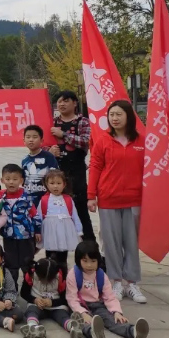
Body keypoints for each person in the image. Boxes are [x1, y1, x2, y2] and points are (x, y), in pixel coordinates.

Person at [87, 100, 147, 303]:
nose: (114, 118)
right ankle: (116, 282)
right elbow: (95, 167)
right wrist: (91, 195)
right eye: (111, 114)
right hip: (108, 199)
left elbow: (150, 168)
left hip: (134, 199)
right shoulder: (103, 140)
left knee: (131, 241)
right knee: (111, 243)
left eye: (119, 114)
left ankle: (132, 283)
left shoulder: (142, 141)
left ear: (129, 116)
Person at [66, 241, 149, 338]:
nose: (89, 265)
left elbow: (110, 297)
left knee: (113, 320)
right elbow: (72, 299)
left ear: (98, 260)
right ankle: (93, 333)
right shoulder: (73, 274)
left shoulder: (101, 275)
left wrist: (116, 312)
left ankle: (133, 331)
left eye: (93, 261)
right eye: (85, 261)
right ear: (78, 260)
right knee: (82, 322)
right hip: (80, 306)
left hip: (98, 305)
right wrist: (83, 313)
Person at [49, 91, 96, 242]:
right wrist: (49, 151)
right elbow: (42, 143)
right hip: (56, 176)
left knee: (81, 214)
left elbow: (86, 141)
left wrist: (64, 135)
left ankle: (90, 249)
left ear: (75, 103)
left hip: (77, 174)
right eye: (59, 101)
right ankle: (59, 250)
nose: (61, 104)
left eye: (66, 101)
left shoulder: (83, 122)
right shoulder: (52, 122)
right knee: (57, 213)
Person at [19, 257, 82, 338]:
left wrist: (52, 302)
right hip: (37, 305)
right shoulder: (31, 275)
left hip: (56, 307)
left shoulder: (60, 278)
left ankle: (72, 327)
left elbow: (65, 298)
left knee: (62, 316)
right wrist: (34, 300)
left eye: (49, 280)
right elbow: (24, 293)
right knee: (31, 311)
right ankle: (32, 326)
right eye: (42, 279)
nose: (45, 282)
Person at [0, 164, 40, 285]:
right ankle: (11, 288)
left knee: (27, 262)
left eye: (15, 179)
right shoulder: (0, 196)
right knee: (10, 263)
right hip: (8, 235)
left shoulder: (26, 196)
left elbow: (34, 214)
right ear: (2, 180)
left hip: (26, 235)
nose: (11, 182)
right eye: (8, 179)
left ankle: (29, 286)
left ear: (21, 180)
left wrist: (38, 230)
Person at [37, 170, 82, 268]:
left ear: (64, 184)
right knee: (50, 254)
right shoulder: (44, 200)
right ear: (46, 184)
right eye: (52, 183)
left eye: (58, 183)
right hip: (50, 233)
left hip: (64, 232)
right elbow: (39, 216)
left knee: (63, 255)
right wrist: (37, 231)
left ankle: (63, 272)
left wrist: (79, 231)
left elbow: (74, 215)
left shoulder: (68, 199)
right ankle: (50, 272)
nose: (55, 186)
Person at [21, 125, 59, 209]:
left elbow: (55, 177)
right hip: (30, 202)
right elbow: (23, 181)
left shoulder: (49, 157)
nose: (31, 140)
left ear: (41, 140)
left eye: (35, 137)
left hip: (46, 200)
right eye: (28, 137)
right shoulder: (24, 160)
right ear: (24, 141)